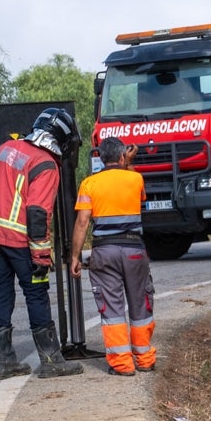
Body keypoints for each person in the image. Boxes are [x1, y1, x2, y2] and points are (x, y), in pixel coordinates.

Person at [0, 108, 84, 380]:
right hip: (19, 239)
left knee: (1, 290)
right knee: (35, 293)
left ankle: (5, 362)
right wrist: (42, 258)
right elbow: (37, 213)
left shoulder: (3, 148)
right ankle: (51, 360)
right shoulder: (45, 163)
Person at [70, 136, 156, 376]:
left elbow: (82, 222)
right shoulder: (135, 178)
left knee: (112, 308)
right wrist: (128, 164)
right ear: (122, 157)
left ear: (99, 158)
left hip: (104, 252)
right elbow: (137, 195)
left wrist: (75, 256)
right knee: (140, 303)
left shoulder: (89, 184)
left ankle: (122, 364)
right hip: (134, 251)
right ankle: (145, 359)